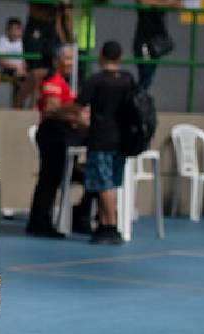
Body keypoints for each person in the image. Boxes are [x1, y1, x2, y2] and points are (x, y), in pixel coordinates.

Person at [26, 44, 84, 238]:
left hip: (59, 133)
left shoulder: (61, 81)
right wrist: (75, 111)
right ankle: (40, 223)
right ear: (56, 60)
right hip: (53, 133)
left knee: (51, 178)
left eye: (71, 59)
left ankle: (41, 221)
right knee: (49, 179)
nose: (70, 63)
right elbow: (52, 109)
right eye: (66, 59)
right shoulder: (53, 81)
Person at [77, 40, 131, 244]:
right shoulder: (127, 80)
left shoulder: (96, 81)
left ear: (101, 56)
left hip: (101, 138)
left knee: (103, 184)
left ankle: (111, 225)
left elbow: (80, 105)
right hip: (121, 140)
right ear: (120, 58)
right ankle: (103, 222)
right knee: (111, 183)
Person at [18, 1, 72, 108]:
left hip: (51, 27)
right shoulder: (36, 15)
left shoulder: (58, 20)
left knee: (47, 71)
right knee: (36, 71)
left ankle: (31, 103)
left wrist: (65, 7)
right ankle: (21, 102)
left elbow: (68, 29)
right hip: (36, 26)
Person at [133, 0, 179, 90]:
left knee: (149, 74)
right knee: (146, 73)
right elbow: (144, 2)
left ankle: (140, 94)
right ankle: (138, 94)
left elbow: (178, 4)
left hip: (157, 41)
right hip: (144, 42)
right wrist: (164, 4)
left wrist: (159, 4)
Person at [0, 17, 27, 104]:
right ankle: (17, 104)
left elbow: (25, 60)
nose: (14, 32)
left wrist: (23, 69)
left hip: (20, 70)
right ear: (7, 30)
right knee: (19, 78)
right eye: (12, 29)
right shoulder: (2, 40)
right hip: (6, 70)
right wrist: (16, 67)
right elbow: (2, 61)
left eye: (17, 29)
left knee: (31, 78)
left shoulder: (23, 42)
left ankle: (19, 104)